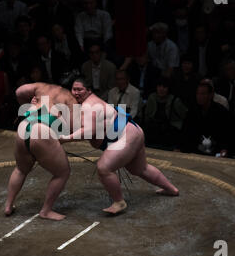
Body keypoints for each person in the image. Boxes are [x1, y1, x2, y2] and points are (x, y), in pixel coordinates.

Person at [60, 78, 179, 215]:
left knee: (104, 167)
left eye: (80, 89)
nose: (76, 92)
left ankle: (119, 202)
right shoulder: (84, 104)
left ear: (89, 90)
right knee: (140, 168)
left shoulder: (88, 105)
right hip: (132, 132)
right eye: (74, 89)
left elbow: (88, 131)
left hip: (126, 135)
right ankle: (171, 189)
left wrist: (65, 139)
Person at [4, 82, 79, 221]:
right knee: (62, 173)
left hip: (24, 125)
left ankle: (8, 206)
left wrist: (27, 103)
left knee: (20, 169)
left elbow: (19, 91)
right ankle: (46, 211)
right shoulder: (71, 99)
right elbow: (72, 129)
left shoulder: (41, 87)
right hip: (42, 130)